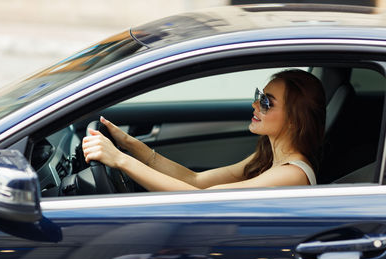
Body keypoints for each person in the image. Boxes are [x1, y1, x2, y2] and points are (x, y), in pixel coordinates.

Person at [82, 69, 326, 191]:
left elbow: (197, 199)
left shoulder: (291, 175)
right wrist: (130, 144)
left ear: (295, 119)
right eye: (258, 96)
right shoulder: (269, 158)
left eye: (266, 102)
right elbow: (195, 181)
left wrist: (120, 161)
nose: (254, 105)